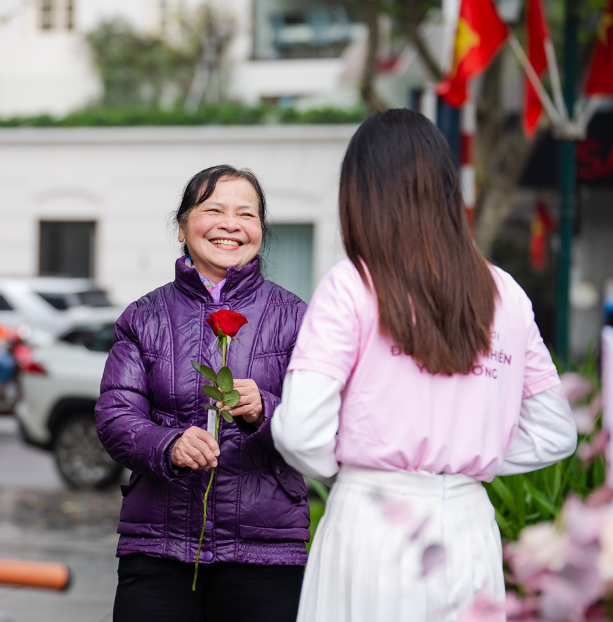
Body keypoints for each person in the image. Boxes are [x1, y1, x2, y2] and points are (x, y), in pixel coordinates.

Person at [271, 109, 577, 622]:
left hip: (373, 520)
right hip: (469, 527)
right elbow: (555, 432)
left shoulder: (352, 285)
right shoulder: (506, 294)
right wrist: (468, 456)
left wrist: (349, 464)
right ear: (446, 190)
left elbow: (301, 433)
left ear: (361, 194)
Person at [95, 165, 309, 622]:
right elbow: (116, 417)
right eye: (213, 209)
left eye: (245, 214)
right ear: (182, 226)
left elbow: (322, 421)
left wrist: (264, 411)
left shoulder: (296, 317)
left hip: (265, 549)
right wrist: (171, 444)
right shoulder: (144, 316)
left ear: (260, 231)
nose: (230, 224)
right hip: (159, 546)